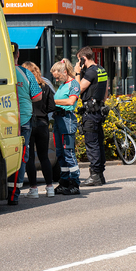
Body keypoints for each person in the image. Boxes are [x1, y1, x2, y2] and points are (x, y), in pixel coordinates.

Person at [8, 43, 42, 206]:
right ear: (18, 54)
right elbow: (37, 97)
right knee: (21, 156)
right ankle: (14, 194)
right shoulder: (26, 73)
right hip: (23, 119)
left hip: (4, 119)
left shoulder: (1, 71)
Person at [22, 62, 56, 198]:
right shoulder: (45, 86)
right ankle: (50, 187)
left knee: (30, 157)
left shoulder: (25, 86)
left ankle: (34, 189)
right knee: (44, 157)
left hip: (29, 122)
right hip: (43, 123)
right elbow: (52, 106)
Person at [75, 47, 109, 186]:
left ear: (83, 58)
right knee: (98, 142)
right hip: (99, 110)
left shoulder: (90, 72)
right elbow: (105, 91)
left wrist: (77, 72)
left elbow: (78, 89)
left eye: (79, 59)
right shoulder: (101, 69)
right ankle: (99, 174)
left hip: (90, 112)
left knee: (91, 144)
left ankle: (95, 175)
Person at [50, 58, 81, 195]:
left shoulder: (73, 84)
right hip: (58, 119)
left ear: (64, 72)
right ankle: (64, 181)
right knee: (60, 154)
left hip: (67, 119)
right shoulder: (63, 85)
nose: (57, 80)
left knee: (68, 152)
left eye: (58, 77)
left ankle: (75, 183)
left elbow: (71, 101)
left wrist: (53, 101)